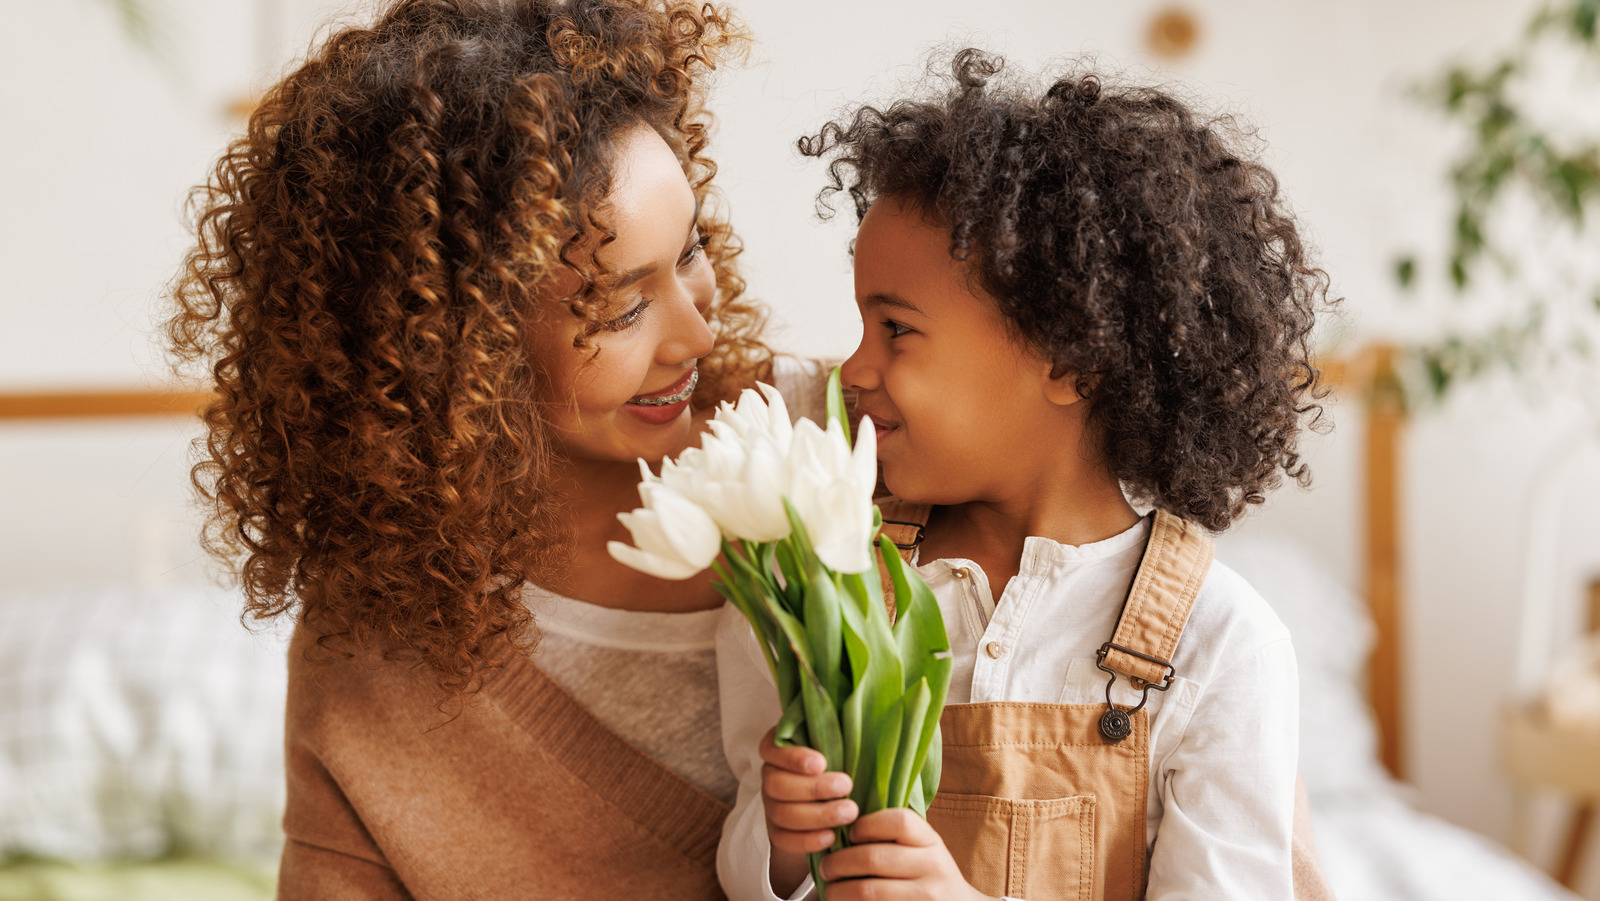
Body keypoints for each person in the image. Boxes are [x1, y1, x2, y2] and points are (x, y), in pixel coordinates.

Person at [164, 0, 810, 897]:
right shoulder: (373, 646)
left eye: (691, 248)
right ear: (455, 352)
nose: (698, 335)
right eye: (621, 306)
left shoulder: (849, 447)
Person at [717, 51, 1331, 901]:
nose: (851, 369)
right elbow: (747, 862)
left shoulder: (1221, 643)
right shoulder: (836, 576)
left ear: (1069, 357)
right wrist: (780, 843)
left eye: (895, 329)